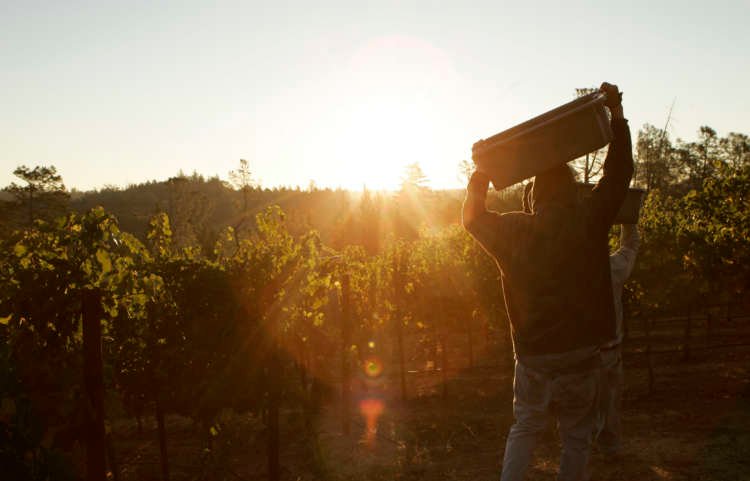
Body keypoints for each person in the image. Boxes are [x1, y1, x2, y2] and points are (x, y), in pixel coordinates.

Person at [462, 82, 633, 481]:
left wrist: (481, 173)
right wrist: (617, 115)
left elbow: (472, 219)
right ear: (572, 194)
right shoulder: (589, 221)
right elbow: (619, 173)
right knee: (575, 436)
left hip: (535, 354)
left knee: (526, 426)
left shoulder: (513, 232)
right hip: (582, 351)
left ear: (533, 198)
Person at [596, 223, 640, 457]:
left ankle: (578, 448)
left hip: (579, 352)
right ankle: (610, 448)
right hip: (609, 352)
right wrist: (628, 220)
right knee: (609, 402)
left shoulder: (570, 272)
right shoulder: (614, 267)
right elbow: (631, 245)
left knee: (577, 407)